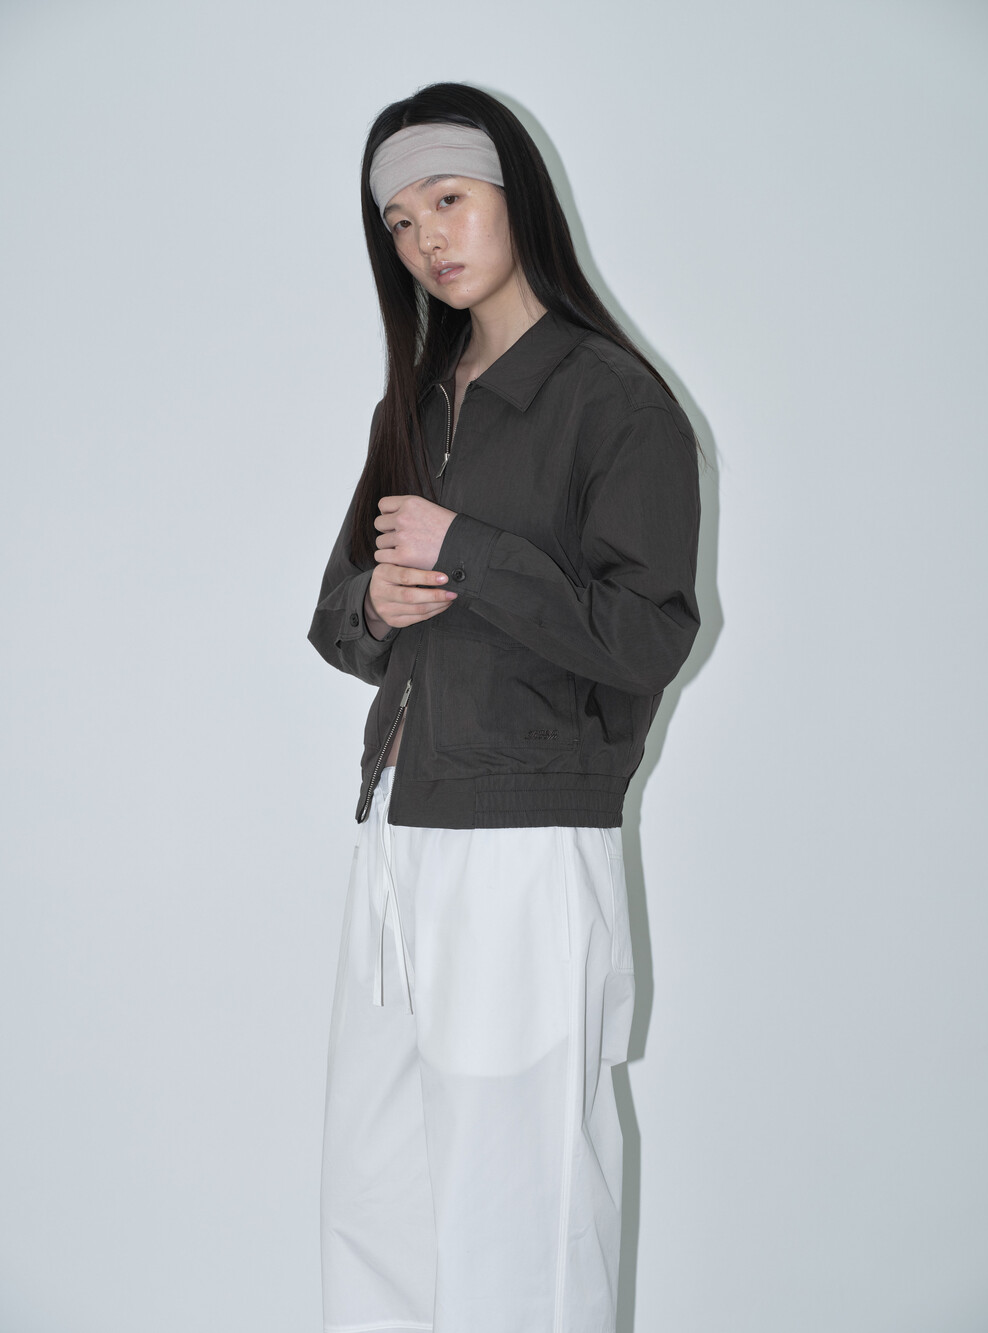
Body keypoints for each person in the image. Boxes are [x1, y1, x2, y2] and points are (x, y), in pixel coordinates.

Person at [308, 82, 700, 1333]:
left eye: (448, 199)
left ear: (514, 197)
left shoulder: (613, 400)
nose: (426, 237)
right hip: (400, 828)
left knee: (516, 1190)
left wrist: (470, 552)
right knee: (376, 1185)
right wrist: (378, 602)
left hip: (523, 841)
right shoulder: (417, 401)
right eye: (399, 221)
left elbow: (647, 637)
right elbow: (335, 617)